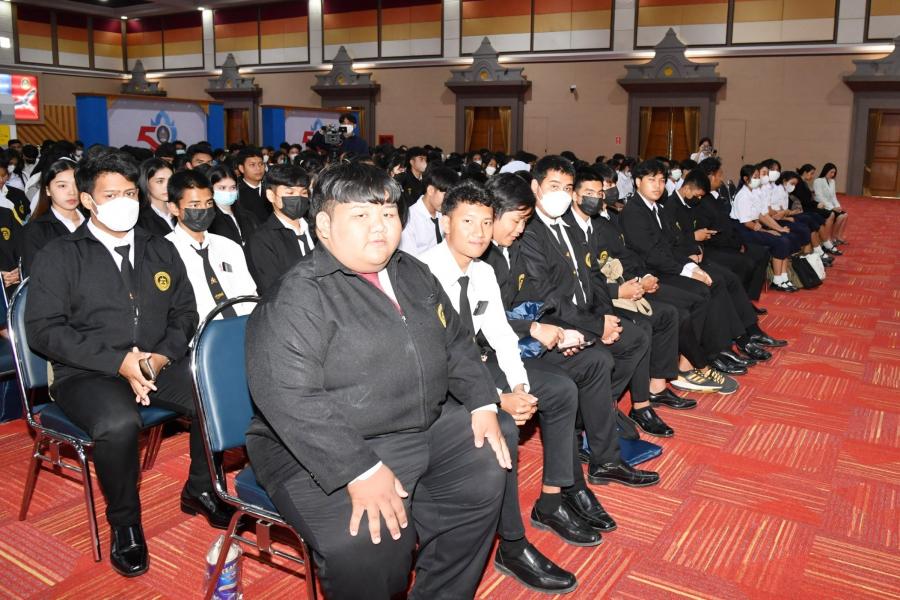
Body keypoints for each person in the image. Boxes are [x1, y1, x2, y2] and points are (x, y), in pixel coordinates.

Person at [245, 161, 509, 599]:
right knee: (369, 541)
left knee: (487, 466)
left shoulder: (413, 272)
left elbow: (456, 341)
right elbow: (288, 396)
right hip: (324, 444)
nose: (379, 226)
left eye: (388, 213)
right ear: (324, 225)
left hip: (419, 422)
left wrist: (482, 402)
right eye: (361, 215)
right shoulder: (297, 295)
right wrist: (359, 469)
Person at [25, 149, 232, 578]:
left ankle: (200, 488)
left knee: (213, 393)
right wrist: (119, 362)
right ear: (88, 200)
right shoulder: (60, 254)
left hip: (156, 361)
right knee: (118, 424)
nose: (124, 202)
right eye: (111, 195)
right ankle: (125, 523)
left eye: (130, 193)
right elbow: (44, 331)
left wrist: (158, 357)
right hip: (85, 371)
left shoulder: (159, 248)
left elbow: (185, 313)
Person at [421, 181, 585, 593]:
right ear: (446, 224)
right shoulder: (421, 273)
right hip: (434, 381)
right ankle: (511, 544)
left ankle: (552, 500)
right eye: (468, 222)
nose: (479, 232)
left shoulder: (483, 272)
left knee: (560, 391)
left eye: (486, 222)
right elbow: (433, 364)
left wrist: (519, 386)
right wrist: (497, 399)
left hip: (473, 366)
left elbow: (502, 336)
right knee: (504, 426)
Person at [164, 170, 257, 323]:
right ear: (174, 208)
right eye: (195, 205)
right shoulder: (163, 253)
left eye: (208, 203)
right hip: (197, 334)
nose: (203, 210)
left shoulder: (229, 247)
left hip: (242, 328)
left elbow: (249, 295)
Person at [245, 163, 314, 295]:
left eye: (304, 192)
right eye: (290, 192)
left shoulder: (317, 229)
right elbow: (272, 288)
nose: (298, 198)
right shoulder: (261, 239)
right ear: (271, 195)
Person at [21, 159, 86, 275]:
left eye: (77, 184)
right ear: (48, 190)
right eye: (62, 186)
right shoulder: (35, 230)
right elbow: (37, 276)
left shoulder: (96, 221)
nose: (72, 192)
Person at [398, 166, 459, 257]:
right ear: (431, 190)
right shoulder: (409, 220)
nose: (450, 201)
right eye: (446, 195)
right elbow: (410, 261)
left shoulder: (445, 213)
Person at [199, 164, 259, 247]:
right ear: (210, 189)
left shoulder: (248, 216)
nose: (228, 192)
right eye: (222, 188)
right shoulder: (207, 221)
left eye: (232, 187)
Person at [136, 158, 176, 236]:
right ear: (145, 182)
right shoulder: (139, 219)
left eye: (171, 180)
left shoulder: (182, 209)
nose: (167, 186)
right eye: (160, 181)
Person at [814, 162, 848, 245]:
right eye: (831, 172)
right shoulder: (818, 181)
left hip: (831, 206)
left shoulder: (832, 181)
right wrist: (832, 208)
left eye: (834, 173)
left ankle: (836, 236)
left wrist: (838, 206)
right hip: (822, 206)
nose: (832, 174)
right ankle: (829, 238)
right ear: (826, 171)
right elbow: (819, 197)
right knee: (839, 216)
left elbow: (833, 197)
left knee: (844, 215)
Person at [236, 147, 270, 222]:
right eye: (252, 165)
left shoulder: (270, 187)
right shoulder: (236, 191)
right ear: (241, 168)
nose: (258, 168)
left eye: (261, 164)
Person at [396, 146, 428, 211]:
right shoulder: (402, 179)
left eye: (425, 160)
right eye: (421, 159)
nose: (424, 162)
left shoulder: (427, 180)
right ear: (412, 162)